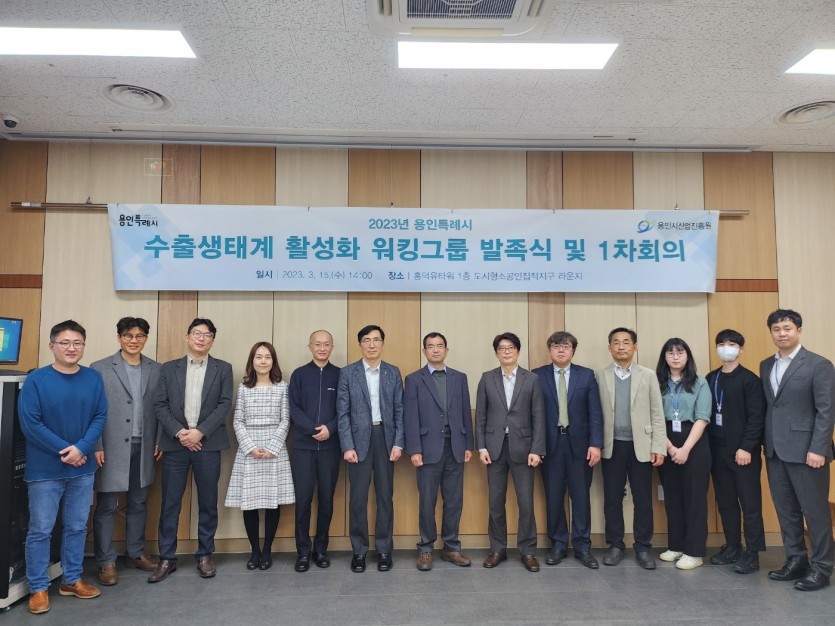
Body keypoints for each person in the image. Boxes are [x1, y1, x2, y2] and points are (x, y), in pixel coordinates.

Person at [18, 320, 108, 615]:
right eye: (65, 342)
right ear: (52, 345)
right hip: (45, 471)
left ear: (84, 346)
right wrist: (67, 450)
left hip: (82, 469)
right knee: (40, 530)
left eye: (77, 343)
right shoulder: (36, 380)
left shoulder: (93, 378)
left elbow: (99, 416)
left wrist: (81, 448)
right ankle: (38, 588)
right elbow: (30, 424)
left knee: (77, 526)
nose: (72, 348)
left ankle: (71, 579)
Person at [149, 318, 233, 582]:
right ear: (187, 337)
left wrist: (200, 432)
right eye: (197, 333)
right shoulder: (168, 368)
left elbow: (225, 404)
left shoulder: (223, 368)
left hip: (208, 444)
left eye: (207, 335)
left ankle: (205, 554)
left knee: (208, 501)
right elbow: (160, 404)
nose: (201, 338)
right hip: (176, 444)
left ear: (212, 341)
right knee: (170, 502)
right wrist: (181, 433)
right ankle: (167, 558)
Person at [761, 309, 835, 592]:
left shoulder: (819, 364)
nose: (782, 333)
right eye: (776, 329)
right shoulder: (766, 365)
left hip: (808, 453)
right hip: (775, 451)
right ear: (771, 332)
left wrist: (819, 448)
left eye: (787, 328)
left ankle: (822, 567)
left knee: (815, 512)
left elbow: (826, 410)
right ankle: (796, 560)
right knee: (786, 510)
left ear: (799, 331)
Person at [90, 317, 162, 586]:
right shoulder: (99, 368)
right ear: (119, 337)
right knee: (107, 505)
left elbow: (162, 408)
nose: (134, 340)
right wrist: (96, 445)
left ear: (146, 339)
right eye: (128, 335)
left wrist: (160, 440)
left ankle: (136, 553)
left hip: (145, 446)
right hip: (109, 447)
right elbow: (92, 410)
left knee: (139, 502)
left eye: (140, 336)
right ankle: (106, 561)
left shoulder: (157, 369)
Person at [595, 327, 665, 570]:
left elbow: (657, 414)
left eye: (626, 342)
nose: (621, 346)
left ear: (635, 347)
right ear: (609, 348)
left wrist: (658, 446)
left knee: (643, 499)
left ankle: (643, 546)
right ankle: (615, 544)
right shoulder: (599, 375)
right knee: (612, 498)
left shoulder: (648, 375)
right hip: (611, 445)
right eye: (616, 342)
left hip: (641, 445)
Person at [532, 331, 603, 569]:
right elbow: (533, 415)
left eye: (566, 346)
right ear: (549, 350)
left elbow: (595, 413)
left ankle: (582, 546)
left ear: (573, 350)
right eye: (556, 346)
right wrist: (536, 447)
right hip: (550, 445)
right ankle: (558, 544)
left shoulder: (586, 375)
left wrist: (595, 444)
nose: (561, 350)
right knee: (554, 497)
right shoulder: (537, 376)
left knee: (580, 497)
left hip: (580, 446)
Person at [476, 332, 545, 572]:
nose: (506, 352)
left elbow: (538, 416)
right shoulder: (487, 378)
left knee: (526, 503)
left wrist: (537, 449)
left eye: (511, 348)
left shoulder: (532, 379)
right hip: (494, 449)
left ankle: (528, 551)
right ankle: (497, 549)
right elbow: (481, 416)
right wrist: (481, 447)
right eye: (502, 348)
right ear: (496, 353)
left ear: (518, 351)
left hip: (524, 449)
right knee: (496, 502)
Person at [404, 332, 474, 571]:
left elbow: (465, 411)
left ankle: (451, 547)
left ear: (446, 350)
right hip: (427, 449)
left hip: (455, 447)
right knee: (427, 501)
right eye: (430, 346)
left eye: (439, 346)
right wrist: (414, 449)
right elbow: (410, 417)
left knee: (454, 501)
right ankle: (425, 549)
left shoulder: (459, 378)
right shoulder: (414, 379)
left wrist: (468, 444)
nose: (435, 350)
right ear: (424, 351)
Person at [337, 325, 404, 573]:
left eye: (376, 340)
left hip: (386, 440)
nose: (372, 344)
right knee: (358, 499)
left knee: (385, 497)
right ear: (360, 345)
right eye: (367, 340)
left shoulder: (392, 372)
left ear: (383, 344)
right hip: (358, 442)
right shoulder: (348, 373)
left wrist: (398, 442)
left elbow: (400, 410)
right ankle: (359, 551)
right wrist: (347, 445)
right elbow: (342, 413)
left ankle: (384, 549)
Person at [225, 342, 293, 570]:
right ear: (252, 361)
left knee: (273, 503)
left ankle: (267, 551)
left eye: (267, 357)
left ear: (273, 361)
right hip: (249, 449)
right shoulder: (244, 388)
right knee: (250, 504)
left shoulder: (283, 387)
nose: (263, 361)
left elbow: (286, 419)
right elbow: (237, 421)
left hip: (275, 449)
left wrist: (273, 447)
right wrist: (250, 447)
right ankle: (254, 551)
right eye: (258, 357)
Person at [705, 329, 766, 574]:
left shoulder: (750, 380)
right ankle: (732, 546)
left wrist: (746, 447)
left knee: (750, 504)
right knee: (726, 502)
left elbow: (756, 418)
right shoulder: (711, 378)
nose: (726, 347)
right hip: (717, 452)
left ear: (740, 349)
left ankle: (752, 553)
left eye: (731, 344)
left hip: (743, 453)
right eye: (722, 343)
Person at [655, 338, 712, 570]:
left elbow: (703, 417)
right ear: (665, 357)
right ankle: (676, 545)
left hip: (694, 441)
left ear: (687, 356)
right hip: (665, 437)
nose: (675, 357)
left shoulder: (700, 382)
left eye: (680, 352)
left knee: (695, 498)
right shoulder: (657, 382)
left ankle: (694, 551)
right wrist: (670, 448)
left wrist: (685, 449)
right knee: (672, 496)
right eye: (670, 353)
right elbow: (654, 417)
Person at [289, 330, 341, 572]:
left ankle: (320, 549)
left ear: (332, 347)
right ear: (310, 347)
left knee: (327, 500)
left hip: (331, 447)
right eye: (317, 344)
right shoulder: (299, 375)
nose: (322, 348)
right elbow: (293, 408)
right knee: (303, 500)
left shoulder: (340, 375)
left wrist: (331, 428)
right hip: (303, 447)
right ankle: (302, 552)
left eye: (326, 344)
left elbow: (346, 408)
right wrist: (312, 429)